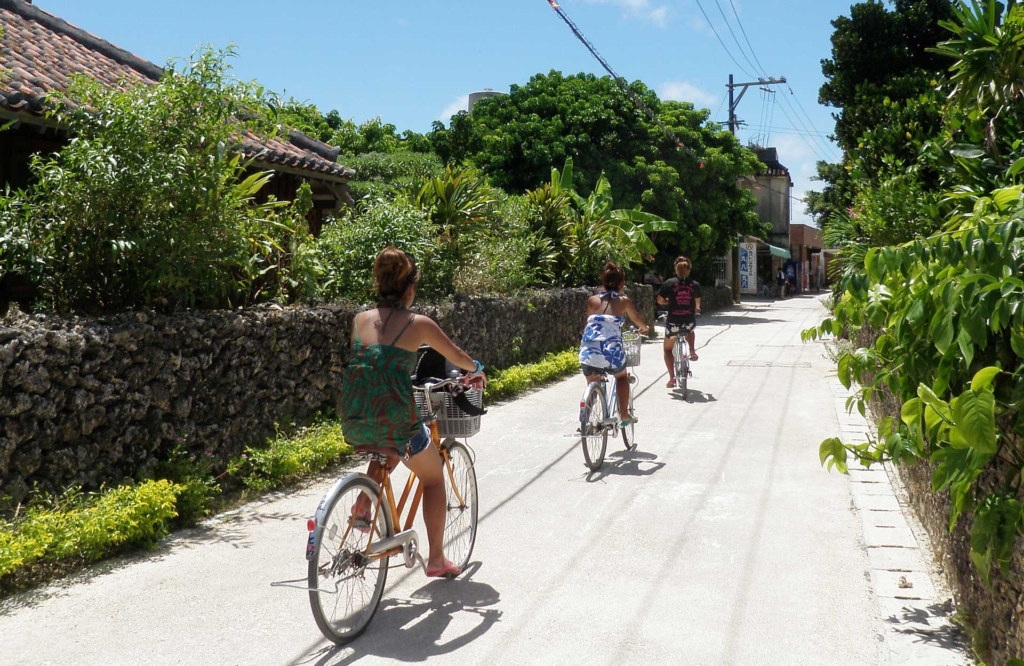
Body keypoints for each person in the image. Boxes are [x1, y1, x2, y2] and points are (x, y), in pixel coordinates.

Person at [340, 247, 485, 579]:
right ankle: (436, 559)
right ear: (409, 288)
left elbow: (372, 367)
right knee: (432, 477)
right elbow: (456, 354)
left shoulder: (358, 320)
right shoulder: (418, 324)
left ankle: (363, 505)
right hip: (396, 418)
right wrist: (476, 368)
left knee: (386, 447)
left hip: (355, 416)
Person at [579, 262, 649, 426]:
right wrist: (644, 328)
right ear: (622, 284)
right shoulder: (624, 301)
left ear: (603, 282)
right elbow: (636, 318)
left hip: (588, 352)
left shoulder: (592, 300)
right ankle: (624, 414)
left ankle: (586, 419)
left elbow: (589, 322)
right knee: (621, 376)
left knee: (593, 381)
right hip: (610, 352)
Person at [658, 256, 702, 388]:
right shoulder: (695, 285)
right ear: (689, 269)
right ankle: (692, 350)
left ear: (676, 269)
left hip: (673, 323)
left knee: (667, 350)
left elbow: (659, 300)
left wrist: (669, 302)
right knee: (690, 328)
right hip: (688, 321)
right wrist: (696, 309)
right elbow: (697, 304)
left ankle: (672, 378)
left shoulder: (669, 283)